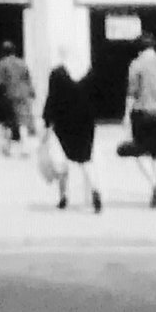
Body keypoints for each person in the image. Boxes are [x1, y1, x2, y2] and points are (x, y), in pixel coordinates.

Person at [41, 44, 101, 214]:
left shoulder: (57, 73)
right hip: (85, 122)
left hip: (63, 122)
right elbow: (97, 97)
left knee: (61, 161)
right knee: (86, 159)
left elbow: (51, 99)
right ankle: (95, 190)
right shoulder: (89, 73)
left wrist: (46, 122)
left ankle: (63, 197)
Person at [123, 35, 156, 208]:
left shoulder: (136, 65)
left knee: (139, 152)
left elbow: (132, 91)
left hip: (142, 112)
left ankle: (153, 183)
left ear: (140, 49)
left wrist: (126, 115)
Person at [0, 41, 34, 156]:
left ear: (3, 52)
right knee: (23, 122)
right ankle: (25, 149)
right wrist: (31, 92)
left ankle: (7, 148)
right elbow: (28, 79)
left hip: (8, 96)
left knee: (8, 122)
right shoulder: (22, 63)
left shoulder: (1, 64)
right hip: (23, 96)